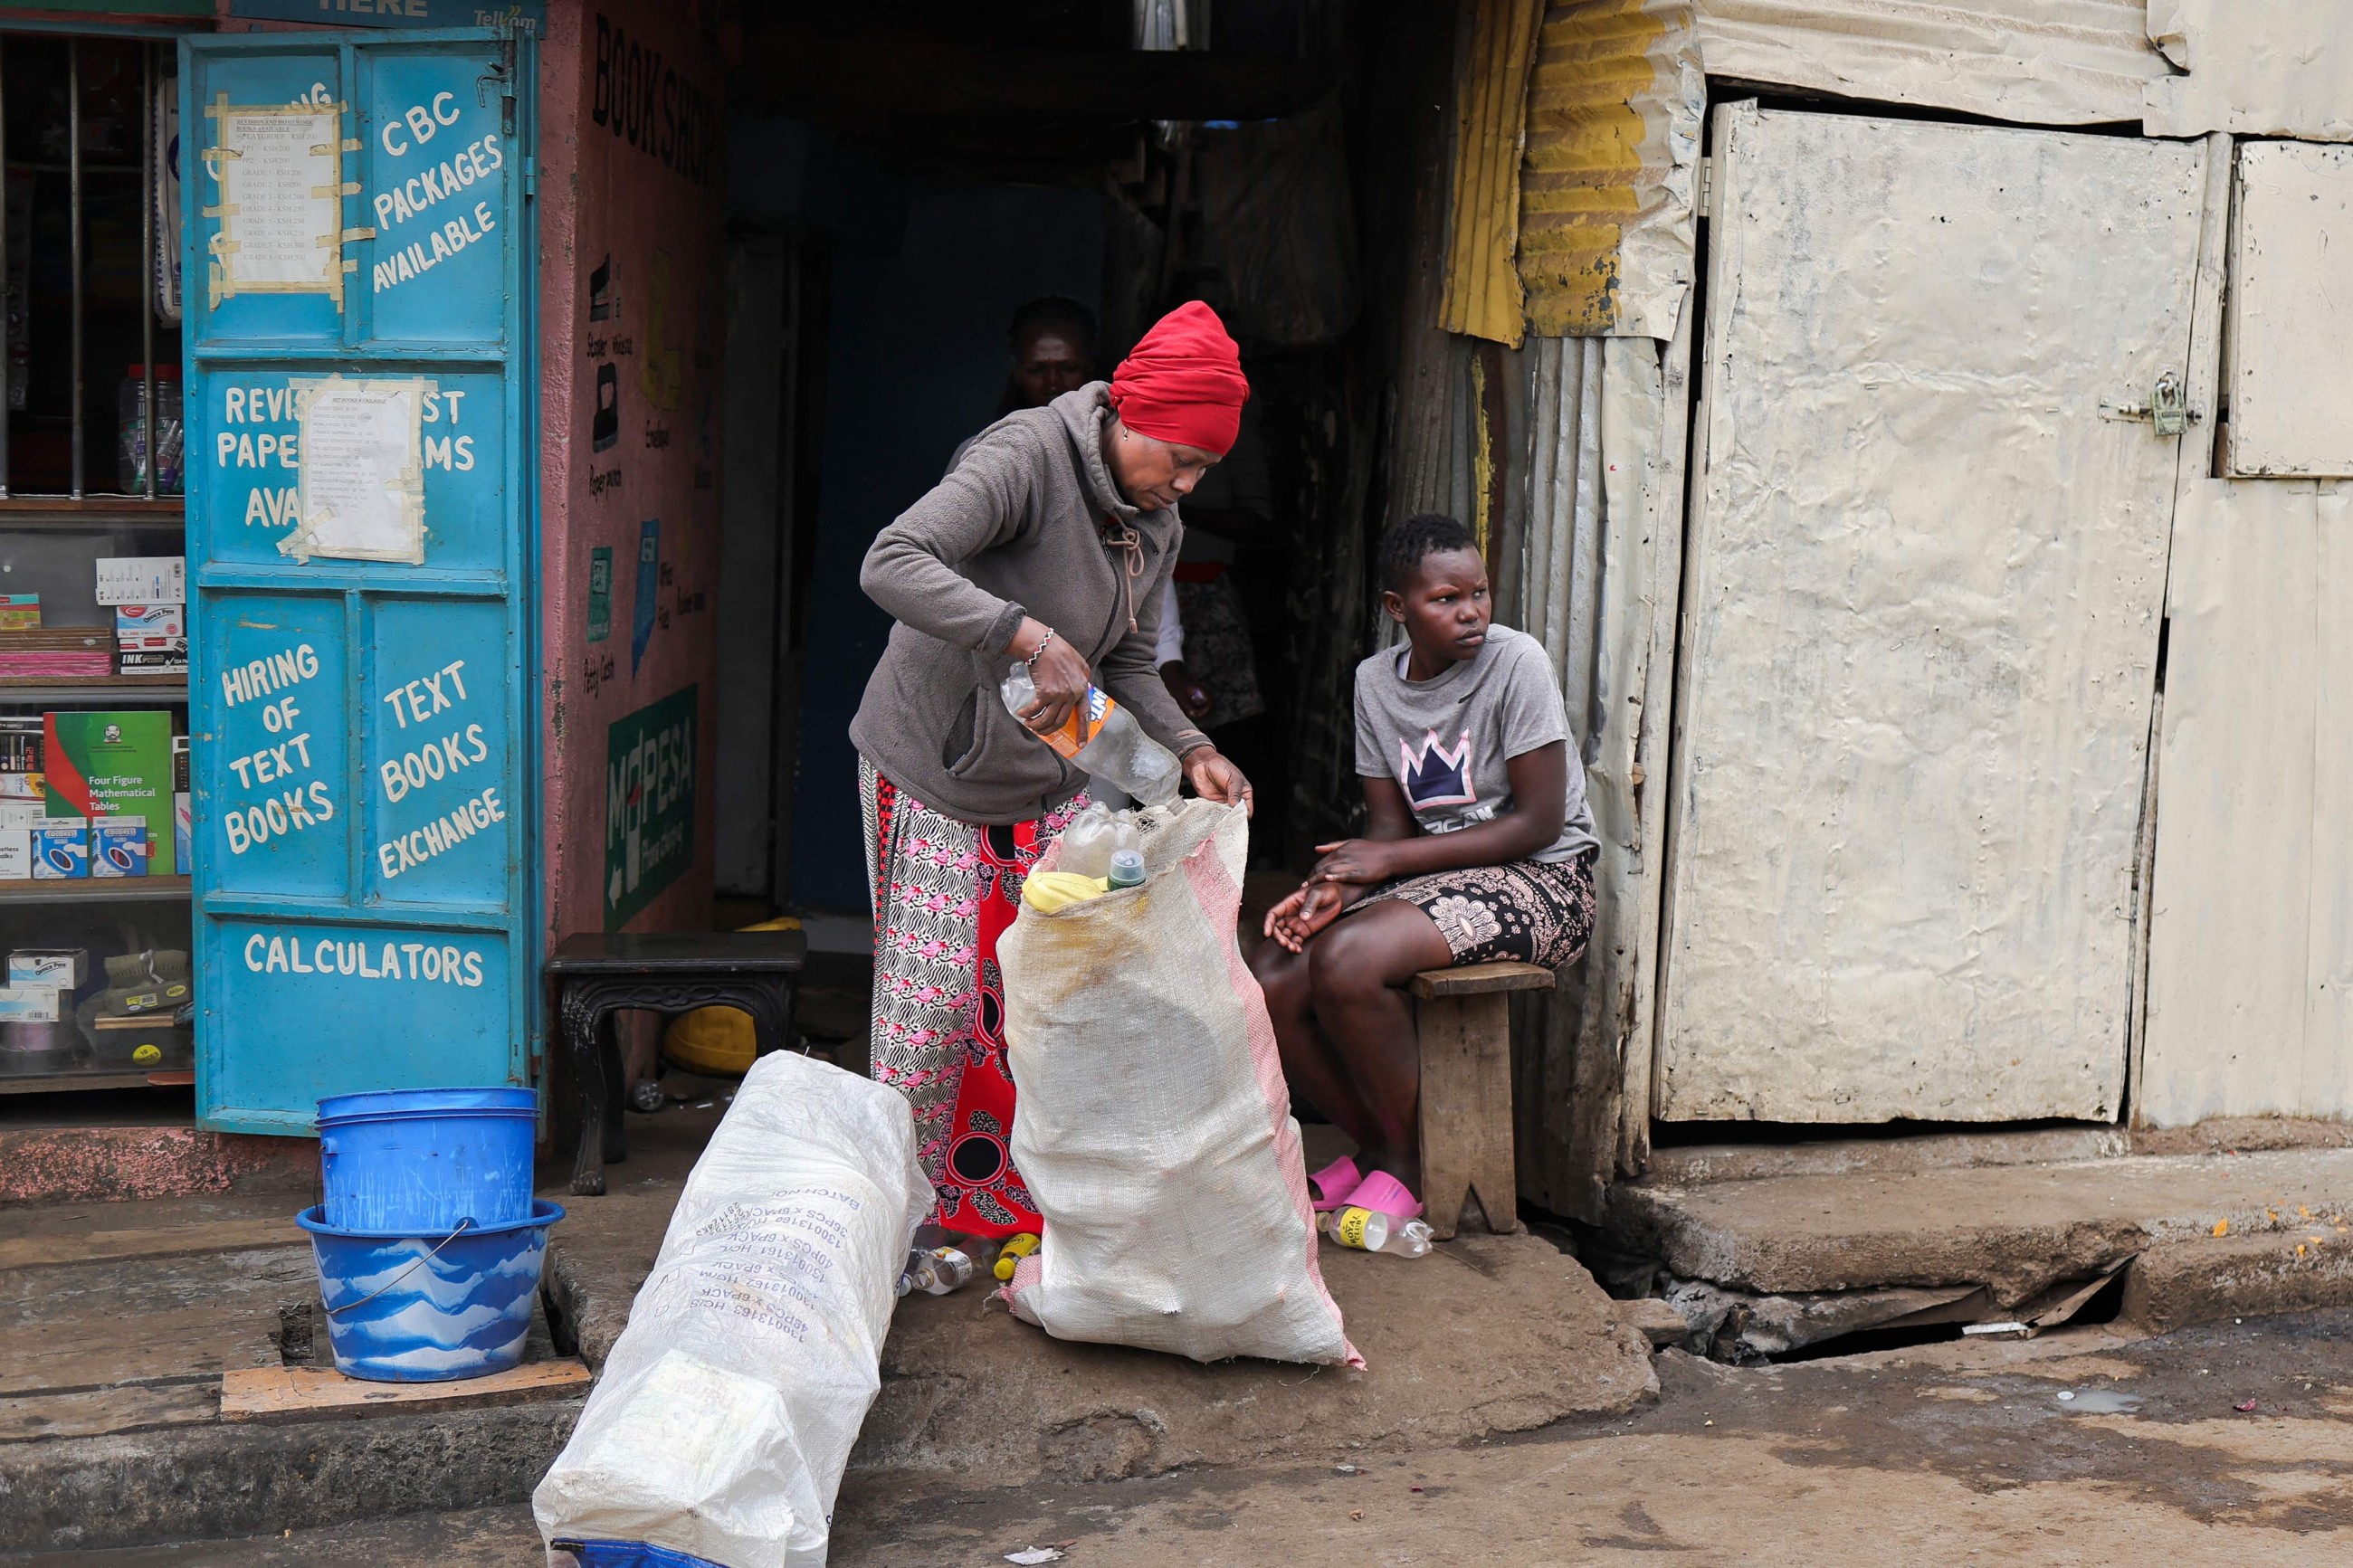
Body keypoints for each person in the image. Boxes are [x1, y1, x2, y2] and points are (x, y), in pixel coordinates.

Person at [853, 299, 1255, 1238]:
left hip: (1044, 780)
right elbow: (890, 559)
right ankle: (885, 1230)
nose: (1187, 485)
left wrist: (1194, 749)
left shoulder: (1152, 521)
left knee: (1035, 1003)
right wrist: (1023, 632)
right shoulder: (1024, 456)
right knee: (933, 1013)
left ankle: (992, 1213)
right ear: (1129, 413)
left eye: (1204, 468)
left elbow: (1121, 661)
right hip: (933, 767)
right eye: (1181, 458)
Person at [1248, 513, 1598, 1226]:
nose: (1470, 611)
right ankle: (1376, 1144)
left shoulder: (1515, 661)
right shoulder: (1375, 682)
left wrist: (1384, 863)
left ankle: (1410, 1163)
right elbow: (1388, 828)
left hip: (1547, 881)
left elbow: (1539, 822)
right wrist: (1335, 884)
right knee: (1273, 975)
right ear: (1396, 608)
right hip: (1437, 878)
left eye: (1479, 592)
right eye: (1445, 599)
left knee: (1347, 959)